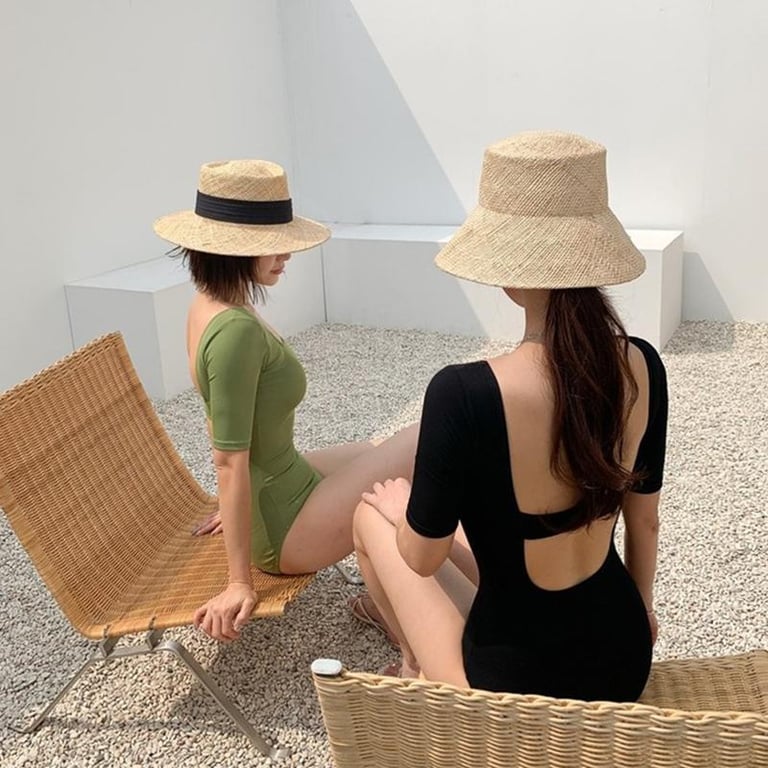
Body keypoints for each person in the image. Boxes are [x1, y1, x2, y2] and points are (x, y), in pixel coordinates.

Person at [353, 131, 667, 702]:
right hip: (623, 660)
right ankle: (421, 659)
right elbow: (643, 522)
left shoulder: (464, 392)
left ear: (507, 271)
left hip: (518, 689)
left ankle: (417, 666)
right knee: (490, 540)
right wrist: (642, 611)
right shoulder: (641, 365)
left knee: (371, 516)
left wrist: (403, 512)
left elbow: (421, 557)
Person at [154, 159, 418, 643]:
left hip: (277, 481)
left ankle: (399, 592)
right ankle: (412, 623)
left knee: (384, 451)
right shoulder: (234, 332)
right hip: (283, 527)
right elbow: (228, 460)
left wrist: (237, 502)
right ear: (236, 249)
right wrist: (239, 581)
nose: (287, 254)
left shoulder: (211, 302)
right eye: (274, 243)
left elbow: (224, 424)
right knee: (423, 444)